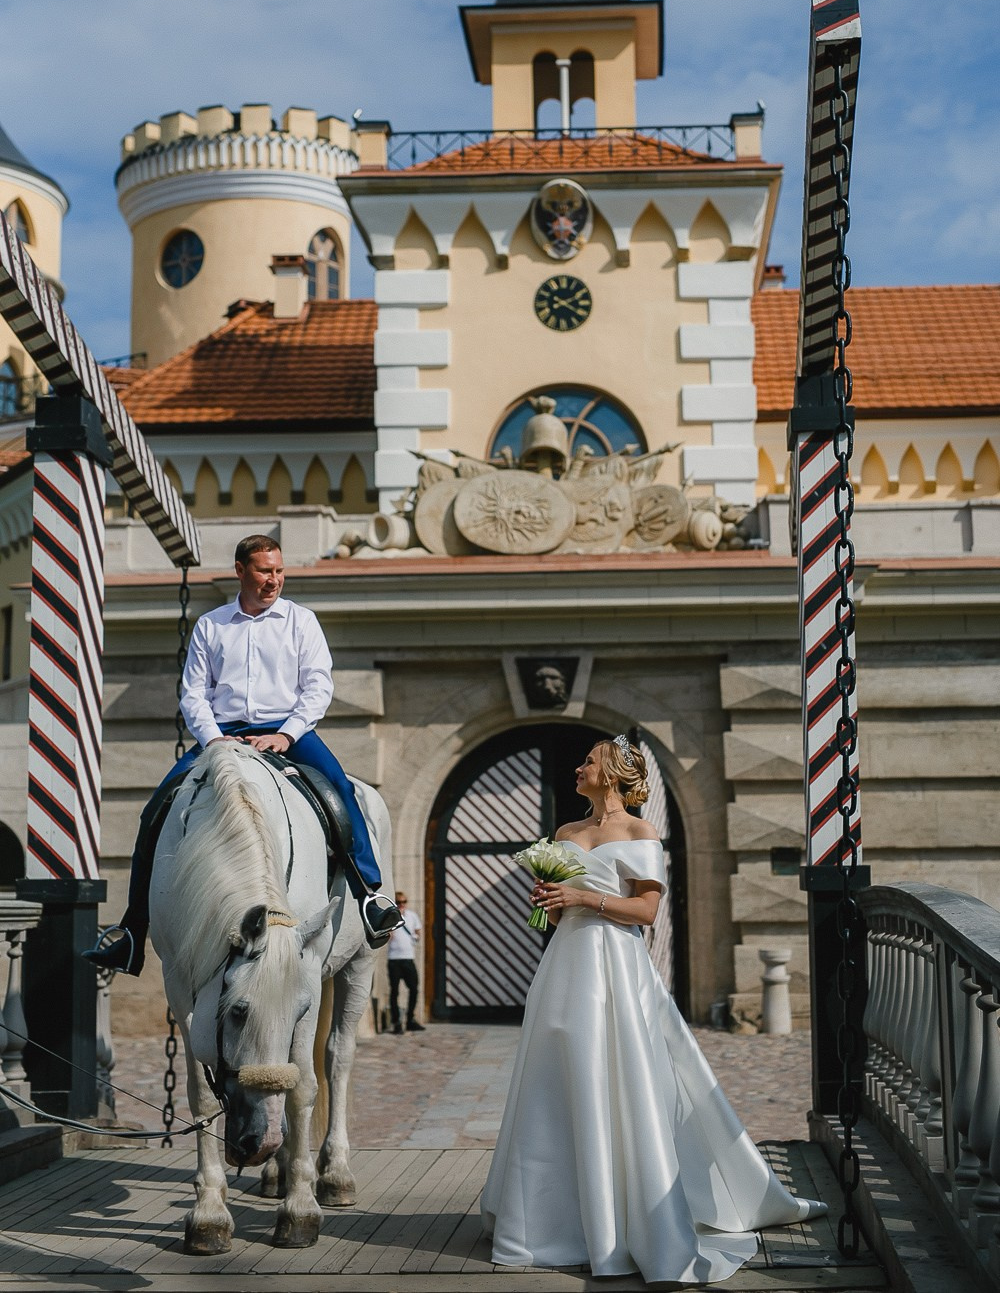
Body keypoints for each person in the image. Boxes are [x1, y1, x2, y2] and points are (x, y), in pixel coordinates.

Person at [481, 734, 825, 1285]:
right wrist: (549, 902)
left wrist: (582, 897)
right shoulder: (567, 833)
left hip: (614, 969)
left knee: (617, 1077)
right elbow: (563, 903)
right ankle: (548, 1218)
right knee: (554, 1081)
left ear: (613, 772)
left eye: (588, 760)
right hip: (564, 967)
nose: (578, 766)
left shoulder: (640, 831)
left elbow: (644, 911)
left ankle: (631, 1218)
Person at [83, 534, 402, 975]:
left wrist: (287, 736)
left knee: (341, 792)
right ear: (241, 571)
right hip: (223, 733)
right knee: (156, 810)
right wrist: (213, 739)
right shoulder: (211, 626)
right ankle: (134, 930)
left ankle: (370, 896)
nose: (274, 580)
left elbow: (318, 687)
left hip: (289, 731)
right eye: (264, 571)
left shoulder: (301, 621)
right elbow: (194, 694)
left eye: (279, 571)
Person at [386, 891, 424, 1034]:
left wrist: (416, 937)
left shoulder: (412, 916)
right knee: (394, 991)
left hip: (408, 958)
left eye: (404, 902)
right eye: (398, 902)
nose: (401, 905)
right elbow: (387, 936)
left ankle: (410, 1019)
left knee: (414, 989)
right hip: (394, 959)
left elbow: (418, 930)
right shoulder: (391, 916)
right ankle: (396, 1022)